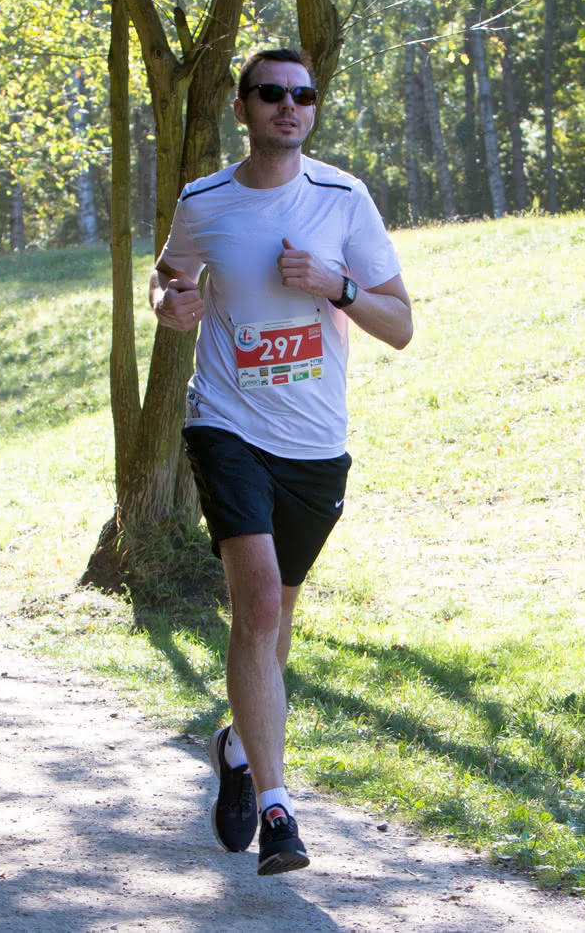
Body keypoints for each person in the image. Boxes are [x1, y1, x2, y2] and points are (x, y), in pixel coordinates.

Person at [150, 48, 412, 875]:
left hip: (314, 445)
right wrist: (173, 305)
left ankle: (235, 743)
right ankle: (278, 808)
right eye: (272, 93)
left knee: (273, 621)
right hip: (226, 423)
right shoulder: (205, 201)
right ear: (242, 107)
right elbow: (168, 282)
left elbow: (400, 323)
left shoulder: (343, 198)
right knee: (257, 601)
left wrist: (337, 286)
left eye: (303, 95)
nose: (289, 106)